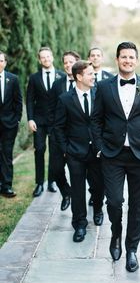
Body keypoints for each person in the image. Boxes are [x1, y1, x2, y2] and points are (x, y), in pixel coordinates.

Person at [91, 41, 140, 273]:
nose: (127, 61)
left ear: (137, 60)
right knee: (113, 201)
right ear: (117, 59)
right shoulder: (103, 87)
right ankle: (115, 234)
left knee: (137, 204)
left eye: (131, 57)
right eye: (123, 57)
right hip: (112, 154)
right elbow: (95, 120)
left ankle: (131, 249)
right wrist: (101, 147)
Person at [54, 60, 104, 243]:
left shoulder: (99, 94)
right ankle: (80, 224)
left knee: (99, 187)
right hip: (75, 152)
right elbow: (58, 127)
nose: (94, 77)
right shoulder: (65, 99)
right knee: (77, 190)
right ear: (79, 77)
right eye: (90, 74)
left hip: (97, 152)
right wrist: (66, 149)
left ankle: (98, 209)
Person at [26, 47, 64, 197]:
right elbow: (29, 100)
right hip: (39, 121)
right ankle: (39, 183)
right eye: (43, 57)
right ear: (39, 60)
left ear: (52, 57)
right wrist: (30, 119)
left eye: (48, 56)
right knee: (39, 150)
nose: (46, 59)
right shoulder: (34, 78)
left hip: (56, 122)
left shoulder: (61, 76)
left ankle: (52, 181)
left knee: (55, 153)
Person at [48, 51, 80, 211]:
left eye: (71, 62)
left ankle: (85, 198)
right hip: (58, 134)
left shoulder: (86, 83)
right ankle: (66, 192)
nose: (68, 65)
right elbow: (51, 109)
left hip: (77, 135)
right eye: (65, 62)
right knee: (56, 168)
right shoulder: (57, 84)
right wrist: (52, 130)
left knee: (79, 171)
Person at [87, 46, 113, 206]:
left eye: (98, 55)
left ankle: (100, 193)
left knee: (101, 164)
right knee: (90, 165)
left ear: (102, 58)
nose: (95, 58)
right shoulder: (83, 77)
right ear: (89, 58)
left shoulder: (110, 78)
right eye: (93, 55)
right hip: (87, 126)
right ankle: (94, 191)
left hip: (105, 127)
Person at [0, 51, 22, 198]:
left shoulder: (13, 79)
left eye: (1, 60)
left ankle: (6, 186)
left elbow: (18, 101)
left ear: (5, 62)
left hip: (9, 125)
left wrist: (16, 120)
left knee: (7, 155)